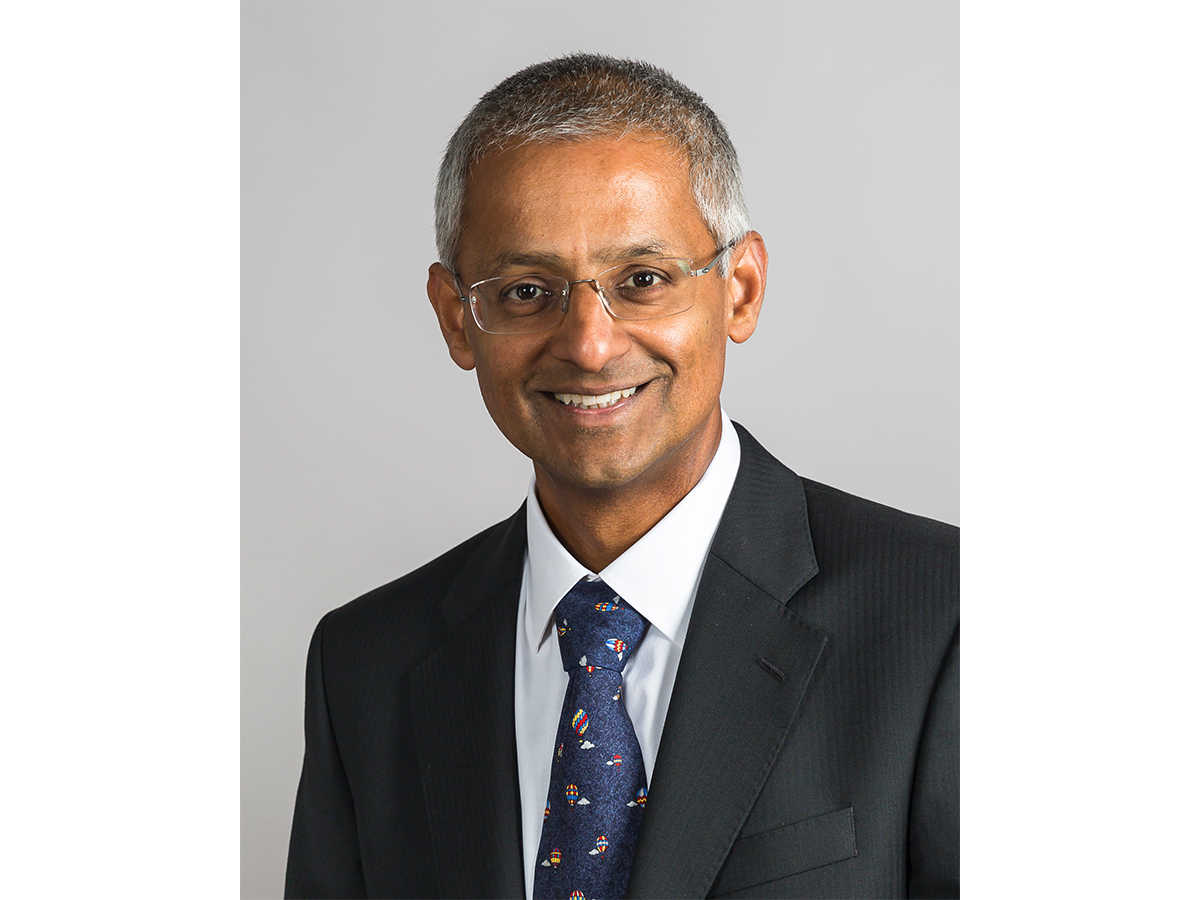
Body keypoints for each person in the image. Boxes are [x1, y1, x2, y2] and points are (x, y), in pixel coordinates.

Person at [285, 54, 958, 900]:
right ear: (459, 318)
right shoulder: (366, 665)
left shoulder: (945, 619)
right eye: (528, 290)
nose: (590, 345)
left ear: (740, 290)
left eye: (642, 281)